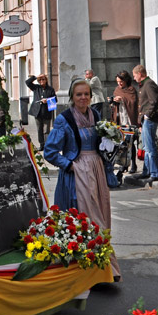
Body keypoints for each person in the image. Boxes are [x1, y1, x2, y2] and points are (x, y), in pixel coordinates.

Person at [43, 78, 121, 281]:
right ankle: (85, 270)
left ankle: (102, 267)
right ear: (72, 97)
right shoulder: (64, 119)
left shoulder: (95, 114)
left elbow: (101, 143)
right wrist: (69, 164)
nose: (83, 97)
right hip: (77, 172)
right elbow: (50, 151)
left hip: (96, 170)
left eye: (86, 93)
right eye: (79, 94)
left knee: (101, 215)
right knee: (87, 218)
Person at [133, 64, 158, 187]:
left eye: (134, 75)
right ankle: (146, 171)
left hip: (149, 120)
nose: (134, 78)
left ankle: (155, 173)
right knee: (145, 147)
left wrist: (147, 115)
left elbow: (153, 102)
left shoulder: (149, 84)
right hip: (145, 119)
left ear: (140, 74)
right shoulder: (144, 84)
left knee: (150, 147)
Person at [110, 70, 140, 175]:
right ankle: (124, 164)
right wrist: (113, 100)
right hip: (120, 119)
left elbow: (133, 102)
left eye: (121, 82)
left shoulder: (131, 90)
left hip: (129, 119)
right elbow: (113, 102)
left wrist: (122, 99)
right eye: (117, 81)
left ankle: (133, 163)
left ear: (126, 81)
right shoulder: (117, 89)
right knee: (121, 143)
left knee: (130, 142)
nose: (119, 84)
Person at [26, 73, 56, 148]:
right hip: (37, 112)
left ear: (46, 80)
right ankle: (41, 144)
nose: (42, 81)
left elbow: (55, 99)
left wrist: (48, 100)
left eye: (43, 79)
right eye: (40, 80)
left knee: (46, 131)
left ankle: (47, 145)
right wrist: (36, 77)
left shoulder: (50, 89)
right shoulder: (36, 88)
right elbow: (27, 82)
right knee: (39, 129)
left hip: (46, 112)